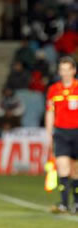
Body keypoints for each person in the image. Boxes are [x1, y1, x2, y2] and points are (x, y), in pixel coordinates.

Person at [45, 56, 78, 214]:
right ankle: (64, 203)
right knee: (62, 166)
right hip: (61, 132)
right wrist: (49, 133)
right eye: (62, 70)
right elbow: (50, 112)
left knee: (76, 170)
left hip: (77, 132)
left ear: (74, 71)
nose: (64, 73)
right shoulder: (53, 90)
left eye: (67, 69)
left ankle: (76, 203)